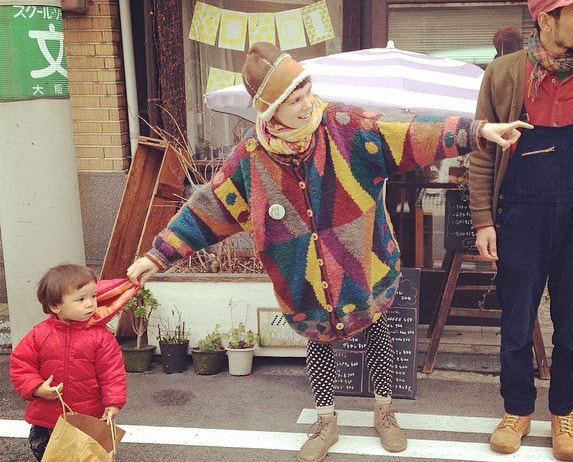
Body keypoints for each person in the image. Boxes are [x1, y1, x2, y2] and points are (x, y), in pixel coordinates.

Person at [127, 42, 529, 462]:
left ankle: (385, 413)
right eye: (293, 100)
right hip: (302, 279)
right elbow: (209, 209)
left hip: (365, 264)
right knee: (317, 346)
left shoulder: (343, 125)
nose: (307, 105)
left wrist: (475, 132)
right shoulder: (250, 158)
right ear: (270, 110)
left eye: (306, 92)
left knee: (378, 333)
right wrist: (157, 256)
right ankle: (326, 422)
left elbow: (407, 133)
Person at [469, 0, 573, 460]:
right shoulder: (502, 74)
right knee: (516, 322)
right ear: (545, 20)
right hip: (520, 214)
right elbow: (482, 150)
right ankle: (517, 410)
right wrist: (483, 220)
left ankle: (565, 412)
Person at [10, 264, 128, 461]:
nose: (90, 304)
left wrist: (113, 403)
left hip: (88, 417)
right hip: (46, 418)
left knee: (87, 455)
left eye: (93, 296)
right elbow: (20, 365)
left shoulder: (101, 336)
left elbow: (112, 373)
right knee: (48, 454)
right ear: (55, 306)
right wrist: (37, 388)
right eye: (81, 299)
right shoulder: (39, 334)